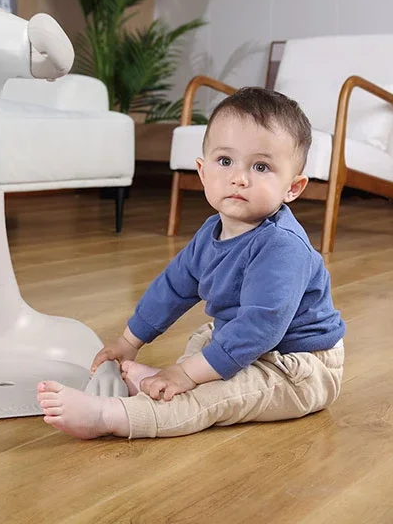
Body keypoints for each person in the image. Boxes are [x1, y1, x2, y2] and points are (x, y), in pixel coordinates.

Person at [37, 87, 346, 440]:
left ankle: (110, 415)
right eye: (225, 161)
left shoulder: (281, 247)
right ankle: (162, 382)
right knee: (207, 335)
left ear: (293, 187)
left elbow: (260, 327)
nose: (239, 177)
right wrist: (128, 341)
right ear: (202, 171)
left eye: (261, 166)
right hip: (249, 344)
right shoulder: (212, 231)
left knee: (214, 396)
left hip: (298, 367)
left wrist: (187, 374)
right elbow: (173, 287)